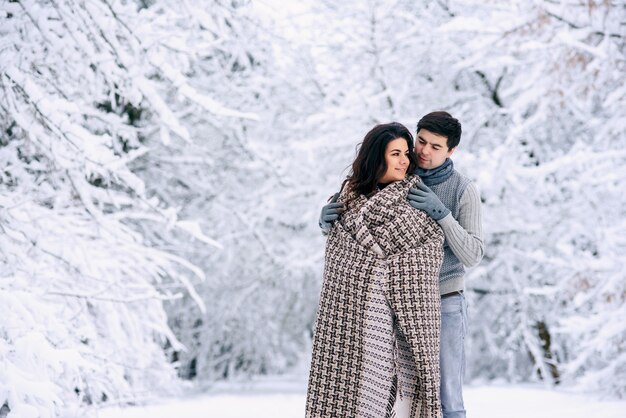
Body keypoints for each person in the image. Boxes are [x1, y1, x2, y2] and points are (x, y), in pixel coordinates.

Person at [319, 112, 484, 418]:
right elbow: (364, 217)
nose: (423, 152)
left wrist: (442, 215)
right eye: (420, 142)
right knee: (399, 396)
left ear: (450, 151)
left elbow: (473, 254)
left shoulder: (462, 189)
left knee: (446, 397)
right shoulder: (401, 178)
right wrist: (327, 220)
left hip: (444, 300)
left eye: (436, 147)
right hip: (393, 304)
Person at [307, 122, 445, 418]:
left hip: (402, 327)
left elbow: (431, 251)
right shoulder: (345, 203)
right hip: (353, 325)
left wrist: (383, 269)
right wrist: (323, 224)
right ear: (375, 158)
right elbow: (338, 263)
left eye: (406, 153)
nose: (405, 161)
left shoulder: (416, 202)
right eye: (395, 153)